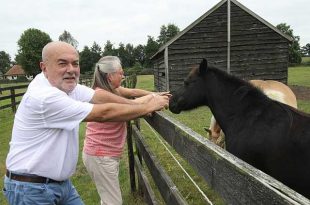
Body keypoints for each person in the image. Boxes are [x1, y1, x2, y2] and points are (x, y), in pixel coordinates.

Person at [3, 42, 169, 205]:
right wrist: (148, 106)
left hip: (60, 184)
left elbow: (98, 97)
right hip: (32, 189)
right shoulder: (45, 97)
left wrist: (135, 105)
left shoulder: (64, 84)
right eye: (62, 63)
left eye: (75, 63)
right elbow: (103, 113)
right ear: (44, 67)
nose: (71, 69)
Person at [82, 56, 169, 205]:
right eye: (120, 73)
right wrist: (152, 100)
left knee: (107, 199)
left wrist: (154, 95)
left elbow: (133, 92)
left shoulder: (113, 90)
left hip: (102, 155)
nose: (123, 76)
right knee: (113, 202)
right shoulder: (101, 95)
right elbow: (130, 105)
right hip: (101, 155)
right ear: (110, 76)